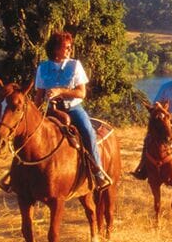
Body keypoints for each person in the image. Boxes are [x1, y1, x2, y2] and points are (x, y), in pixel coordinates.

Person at [33, 31, 113, 189]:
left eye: (70, 47)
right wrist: (35, 112)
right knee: (29, 133)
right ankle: (15, 174)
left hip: (73, 109)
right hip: (51, 110)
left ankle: (98, 172)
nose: (69, 50)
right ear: (56, 49)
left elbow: (81, 93)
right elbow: (39, 95)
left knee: (88, 131)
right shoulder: (43, 67)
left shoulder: (75, 65)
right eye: (66, 47)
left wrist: (60, 91)